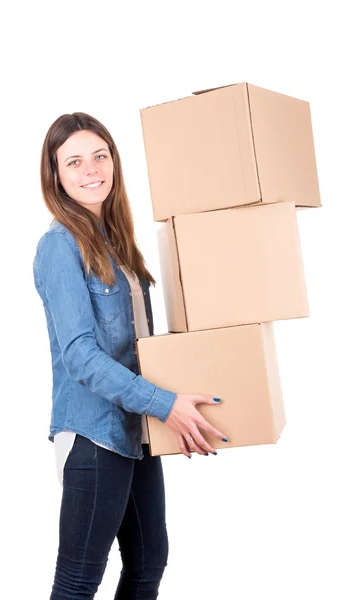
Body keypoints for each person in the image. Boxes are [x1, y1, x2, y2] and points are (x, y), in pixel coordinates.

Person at [33, 111, 228, 599]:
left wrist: (170, 409)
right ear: (55, 175)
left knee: (147, 564)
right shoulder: (59, 246)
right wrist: (165, 403)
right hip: (94, 433)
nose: (91, 169)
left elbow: (139, 348)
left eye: (100, 155)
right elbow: (80, 355)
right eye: (74, 161)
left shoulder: (118, 243)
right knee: (78, 581)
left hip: (136, 429)